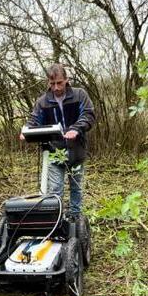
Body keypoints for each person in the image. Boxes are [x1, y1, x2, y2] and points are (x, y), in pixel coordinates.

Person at [21, 63, 95, 218]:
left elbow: (88, 115)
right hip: (55, 152)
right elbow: (34, 120)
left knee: (76, 187)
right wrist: (26, 131)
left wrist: (76, 128)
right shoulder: (43, 102)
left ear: (67, 79)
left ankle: (75, 217)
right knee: (55, 189)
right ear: (48, 82)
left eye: (59, 83)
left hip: (77, 150)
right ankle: (57, 219)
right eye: (52, 83)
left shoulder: (79, 95)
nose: (56, 87)